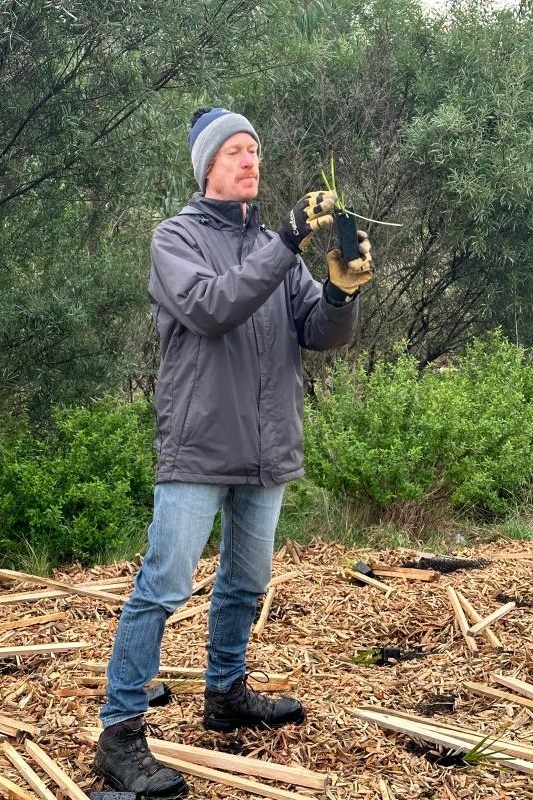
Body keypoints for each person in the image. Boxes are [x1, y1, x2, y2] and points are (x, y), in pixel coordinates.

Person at [93, 107, 373, 798]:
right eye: (236, 152)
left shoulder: (277, 252)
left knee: (245, 585)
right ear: (208, 168)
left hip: (266, 447)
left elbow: (317, 332)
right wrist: (283, 243)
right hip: (198, 445)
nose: (251, 161)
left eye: (255, 150)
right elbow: (214, 307)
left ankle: (224, 695)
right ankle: (120, 733)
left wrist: (339, 293)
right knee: (162, 586)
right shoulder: (175, 239)